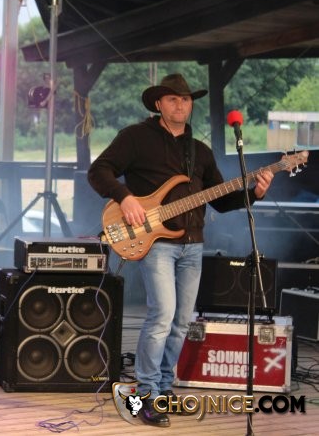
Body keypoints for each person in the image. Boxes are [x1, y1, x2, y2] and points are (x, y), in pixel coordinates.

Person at [87, 73, 273, 427]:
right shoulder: (136, 137)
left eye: (185, 99)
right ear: (159, 103)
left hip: (192, 244)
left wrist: (255, 193)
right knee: (162, 315)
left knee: (181, 321)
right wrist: (125, 198)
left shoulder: (199, 151)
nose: (180, 105)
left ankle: (162, 389)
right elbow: (99, 171)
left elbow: (220, 200)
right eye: (172, 99)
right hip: (155, 243)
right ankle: (144, 395)